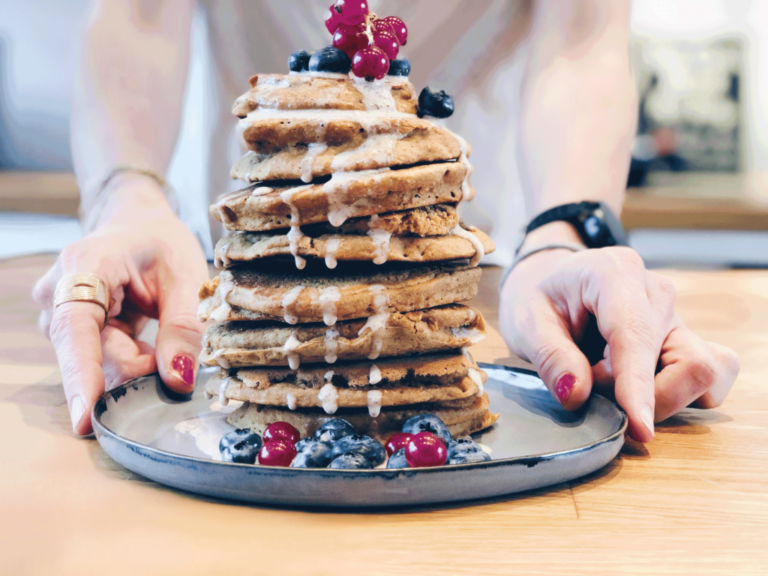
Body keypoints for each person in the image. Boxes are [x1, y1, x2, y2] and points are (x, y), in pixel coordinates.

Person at [33, 0, 739, 442]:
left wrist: (563, 231)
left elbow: (581, 39)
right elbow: (139, 18)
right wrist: (128, 197)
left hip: (458, 261)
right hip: (254, 257)